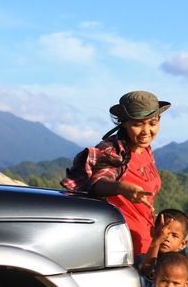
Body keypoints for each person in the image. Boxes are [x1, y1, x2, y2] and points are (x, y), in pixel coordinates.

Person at [61, 90, 169, 256]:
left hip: (147, 245)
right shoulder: (113, 151)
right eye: (138, 124)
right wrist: (121, 188)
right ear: (124, 123)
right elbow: (97, 183)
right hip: (122, 248)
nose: (146, 131)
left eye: (152, 123)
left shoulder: (145, 150)